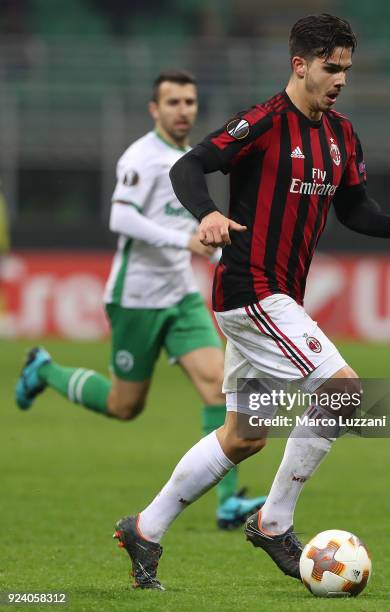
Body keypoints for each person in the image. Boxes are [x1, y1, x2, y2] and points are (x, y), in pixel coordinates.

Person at [113, 14, 390, 590]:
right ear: (300, 64)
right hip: (252, 289)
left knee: (245, 435)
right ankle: (273, 520)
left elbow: (352, 209)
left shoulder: (341, 134)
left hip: (275, 295)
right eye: (330, 68)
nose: (340, 79)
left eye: (347, 69)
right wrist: (207, 213)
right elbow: (190, 165)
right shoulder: (261, 123)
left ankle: (145, 528)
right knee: (344, 393)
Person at [14, 70, 265, 530]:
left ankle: (227, 501)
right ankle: (44, 370)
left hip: (181, 298)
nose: (183, 109)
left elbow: (197, 236)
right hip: (136, 298)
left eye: (190, 101)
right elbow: (121, 218)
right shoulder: (141, 157)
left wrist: (211, 255)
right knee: (124, 406)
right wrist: (182, 241)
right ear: (155, 109)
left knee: (216, 385)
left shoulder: (192, 161)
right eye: (173, 102)